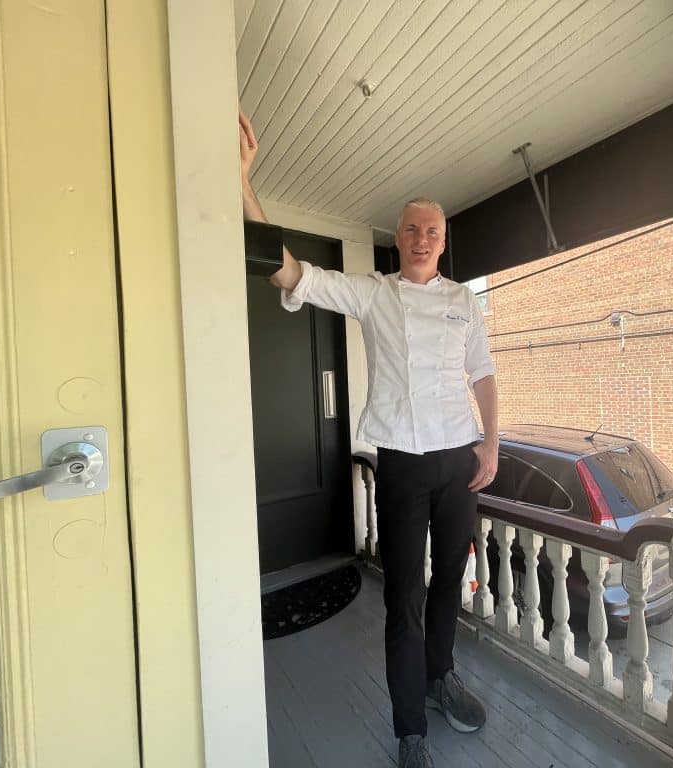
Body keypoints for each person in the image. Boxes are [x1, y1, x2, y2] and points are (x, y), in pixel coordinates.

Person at [239, 110, 499, 768]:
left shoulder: (465, 302)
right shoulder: (372, 293)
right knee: (404, 596)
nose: (420, 237)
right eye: (411, 228)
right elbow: (290, 274)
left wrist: (492, 444)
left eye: (431, 230)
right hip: (404, 466)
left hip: (460, 457)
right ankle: (410, 726)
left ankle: (440, 679)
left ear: (443, 241)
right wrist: (243, 180)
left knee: (450, 584)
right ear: (398, 236)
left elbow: (485, 374)